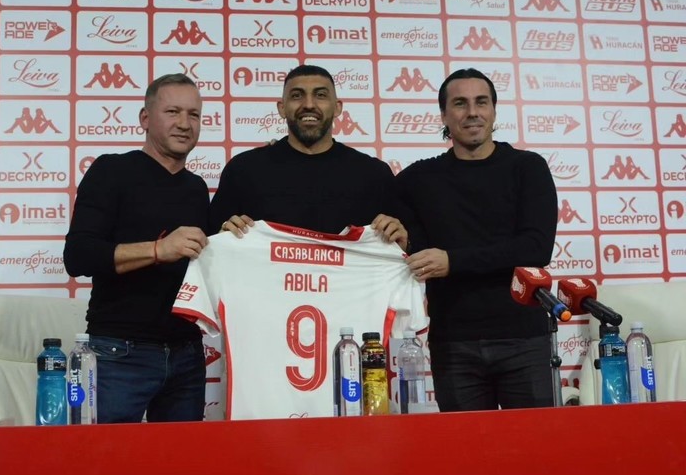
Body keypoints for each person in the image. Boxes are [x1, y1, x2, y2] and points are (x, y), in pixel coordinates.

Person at [396, 68, 558, 411]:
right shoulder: (417, 180)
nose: (472, 112)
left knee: (536, 456)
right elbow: (367, 211)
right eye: (460, 103)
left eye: (481, 102)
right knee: (466, 459)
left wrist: (452, 261)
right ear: (443, 115)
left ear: (494, 111)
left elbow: (536, 248)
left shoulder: (527, 168)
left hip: (524, 339)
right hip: (454, 343)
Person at [63, 73, 210, 423]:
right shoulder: (111, 170)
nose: (184, 124)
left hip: (187, 354)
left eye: (194, 115)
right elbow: (79, 255)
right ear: (145, 118)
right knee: (101, 461)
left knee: (182, 463)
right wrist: (159, 249)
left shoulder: (197, 188)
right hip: (118, 352)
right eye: (172, 111)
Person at [211, 64, 407, 248]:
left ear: (337, 107)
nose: (309, 104)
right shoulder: (243, 170)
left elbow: (402, 248)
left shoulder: (374, 174)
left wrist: (402, 240)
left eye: (320, 95)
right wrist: (222, 238)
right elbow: (212, 243)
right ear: (281, 108)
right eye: (297, 96)